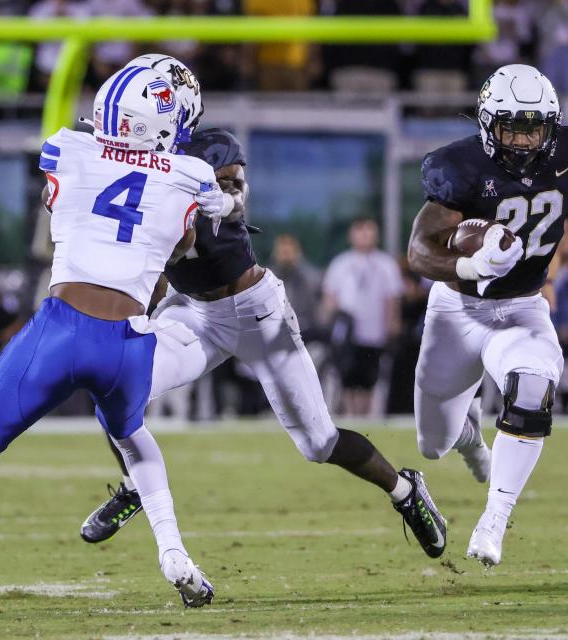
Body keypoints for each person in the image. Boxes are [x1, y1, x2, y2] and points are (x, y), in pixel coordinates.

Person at [77, 58, 447, 561]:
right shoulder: (124, 167)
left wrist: (222, 202)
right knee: (115, 384)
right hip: (192, 313)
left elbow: (235, 191)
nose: (122, 133)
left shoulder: (209, 149)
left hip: (255, 312)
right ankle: (135, 485)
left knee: (318, 442)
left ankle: (405, 491)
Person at [0, 64, 232, 615]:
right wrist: (219, 204)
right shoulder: (191, 176)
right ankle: (173, 551)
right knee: (133, 439)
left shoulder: (70, 149)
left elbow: (55, 200)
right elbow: (183, 241)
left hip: (63, 329)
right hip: (130, 342)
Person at [407, 64, 568, 566]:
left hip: (523, 308)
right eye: (513, 126)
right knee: (432, 443)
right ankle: (469, 435)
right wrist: (469, 261)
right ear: (488, 125)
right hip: (456, 311)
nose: (526, 139)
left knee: (533, 388)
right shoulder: (458, 166)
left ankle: (494, 520)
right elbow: (419, 252)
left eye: (535, 126)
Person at [322, 218, 404, 417]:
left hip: (374, 331)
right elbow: (330, 296)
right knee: (347, 376)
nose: (365, 235)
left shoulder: (385, 264)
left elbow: (392, 298)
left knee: (369, 377)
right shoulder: (341, 263)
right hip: (348, 333)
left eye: (369, 230)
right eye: (360, 231)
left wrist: (392, 324)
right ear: (352, 235)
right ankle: (349, 413)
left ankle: (366, 414)